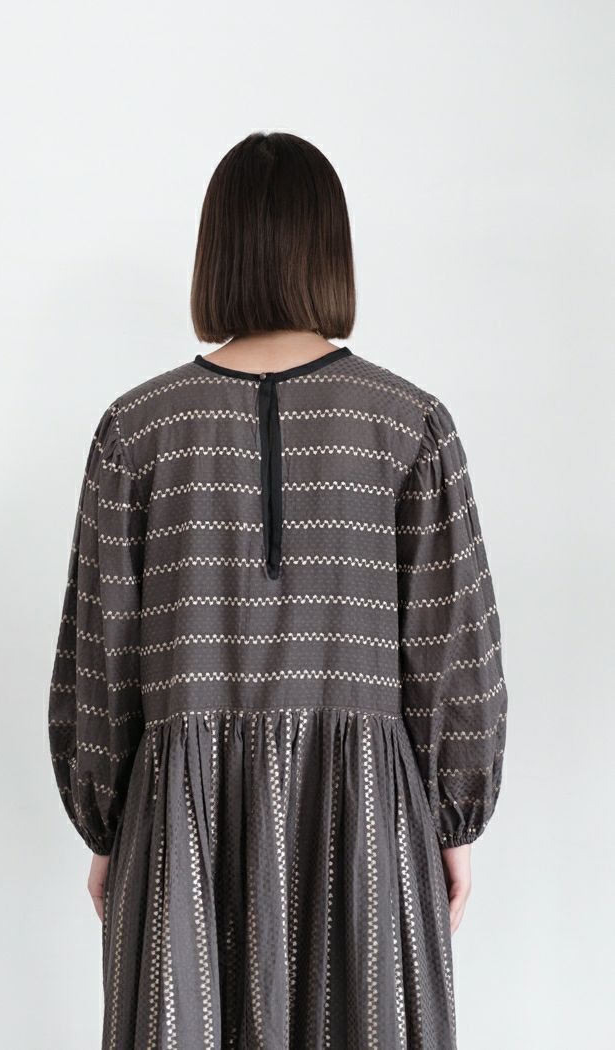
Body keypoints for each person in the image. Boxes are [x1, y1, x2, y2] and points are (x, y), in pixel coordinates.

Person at [48, 131, 507, 1049]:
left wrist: (106, 826)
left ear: (215, 251)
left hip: (181, 828)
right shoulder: (409, 426)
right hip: (367, 824)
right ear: (331, 249)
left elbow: (99, 660)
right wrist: (454, 821)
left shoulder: (136, 432)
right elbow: (456, 650)